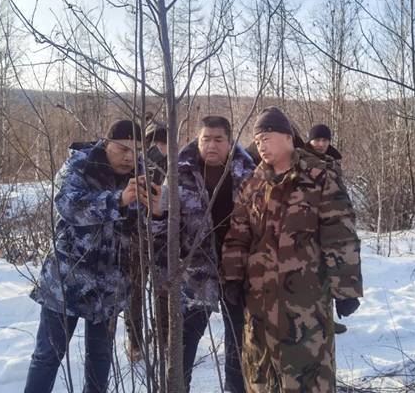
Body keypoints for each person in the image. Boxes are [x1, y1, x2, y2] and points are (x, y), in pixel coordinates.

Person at [222, 107, 363, 392]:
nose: (260, 145)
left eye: (266, 137)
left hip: (305, 305)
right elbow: (238, 234)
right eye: (257, 140)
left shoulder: (319, 178)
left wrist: (346, 290)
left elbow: (340, 235)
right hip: (259, 306)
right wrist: (233, 278)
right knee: (262, 380)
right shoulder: (253, 184)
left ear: (287, 137)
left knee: (309, 378)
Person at [24, 119, 160, 393]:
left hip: (111, 284)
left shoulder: (143, 173)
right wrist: (118, 200)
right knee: (48, 356)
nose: (129, 157)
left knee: (100, 357)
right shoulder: (79, 165)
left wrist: (156, 212)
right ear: (106, 143)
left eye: (136, 150)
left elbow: (143, 229)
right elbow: (69, 207)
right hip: (67, 281)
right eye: (123, 149)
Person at [153, 116, 255, 392]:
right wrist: (164, 273)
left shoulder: (248, 172)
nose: (211, 145)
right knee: (185, 340)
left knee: (238, 341)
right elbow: (164, 225)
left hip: (238, 271)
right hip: (195, 273)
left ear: (230, 142)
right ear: (197, 140)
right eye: (205, 139)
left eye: (218, 139)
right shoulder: (179, 172)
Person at [124, 120, 169, 361]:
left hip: (156, 235)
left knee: (154, 290)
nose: (161, 147)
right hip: (140, 236)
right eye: (158, 142)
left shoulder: (171, 162)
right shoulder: (140, 162)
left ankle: (156, 340)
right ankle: (141, 342)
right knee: (139, 291)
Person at [306, 123, 349, 335]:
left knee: (329, 274)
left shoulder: (333, 160)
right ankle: (315, 321)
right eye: (317, 140)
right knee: (313, 278)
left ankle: (327, 319)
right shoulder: (304, 160)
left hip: (333, 221)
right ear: (310, 140)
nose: (321, 144)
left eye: (324, 140)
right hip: (313, 225)